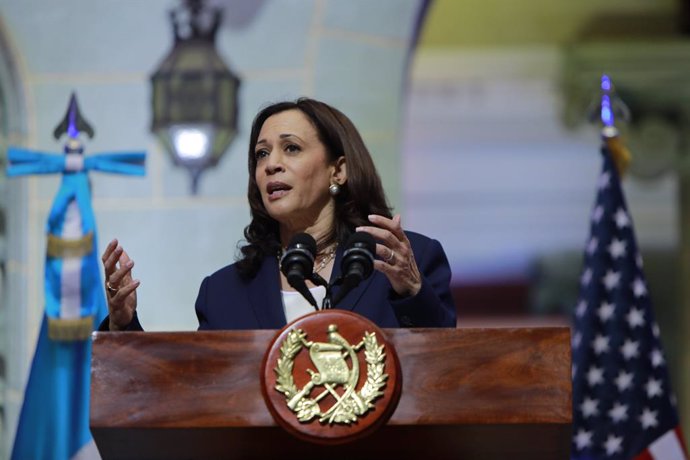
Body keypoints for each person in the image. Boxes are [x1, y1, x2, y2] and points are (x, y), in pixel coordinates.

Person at [100, 98, 456, 331]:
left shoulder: (405, 264)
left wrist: (412, 290)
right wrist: (123, 324)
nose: (272, 165)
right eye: (261, 154)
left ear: (338, 171)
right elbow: (189, 396)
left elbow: (447, 374)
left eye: (291, 148)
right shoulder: (224, 292)